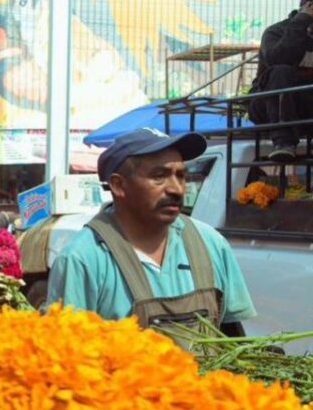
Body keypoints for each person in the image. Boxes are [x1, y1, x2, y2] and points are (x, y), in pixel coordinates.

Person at [45, 128, 256, 347]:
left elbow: (232, 337)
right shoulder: (83, 259)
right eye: (159, 176)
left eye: (181, 176)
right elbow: (66, 357)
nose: (176, 189)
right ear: (118, 185)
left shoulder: (211, 244)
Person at [247, 0, 313, 162]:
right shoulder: (275, 32)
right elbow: (278, 59)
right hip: (269, 103)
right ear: (308, 7)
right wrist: (301, 23)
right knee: (281, 71)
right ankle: (283, 142)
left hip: (305, 104)